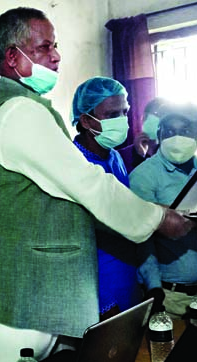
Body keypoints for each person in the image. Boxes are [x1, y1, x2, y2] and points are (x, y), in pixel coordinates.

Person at [0, 7, 194, 362]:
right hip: (7, 301)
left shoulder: (24, 107)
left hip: (28, 296)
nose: (57, 55)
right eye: (44, 47)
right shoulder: (17, 112)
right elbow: (89, 183)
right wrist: (159, 218)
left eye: (55, 45)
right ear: (13, 57)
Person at [130, 103, 197, 318]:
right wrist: (153, 287)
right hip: (171, 297)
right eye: (169, 131)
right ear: (159, 133)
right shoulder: (144, 176)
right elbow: (142, 238)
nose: (177, 137)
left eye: (185, 131)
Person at [71, 76, 143, 320]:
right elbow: (76, 240)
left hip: (127, 272)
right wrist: (102, 300)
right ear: (85, 119)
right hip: (96, 281)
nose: (122, 120)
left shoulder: (114, 157)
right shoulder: (74, 164)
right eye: (112, 115)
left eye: (124, 112)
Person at [118, 97, 169, 173]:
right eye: (157, 115)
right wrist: (139, 157)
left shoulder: (171, 155)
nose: (161, 120)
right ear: (144, 118)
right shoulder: (121, 156)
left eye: (166, 117)